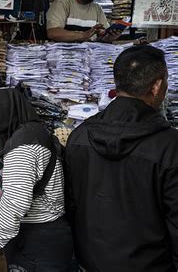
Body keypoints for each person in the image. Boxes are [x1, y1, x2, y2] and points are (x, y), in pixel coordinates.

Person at [65, 45, 178, 271]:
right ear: (156, 87)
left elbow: (71, 206)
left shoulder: (79, 136)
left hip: (91, 262)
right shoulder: (169, 145)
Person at [0, 87, 73, 272]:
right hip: (45, 238)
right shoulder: (36, 135)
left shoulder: (24, 146)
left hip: (38, 241)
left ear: (2, 117)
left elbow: (16, 201)